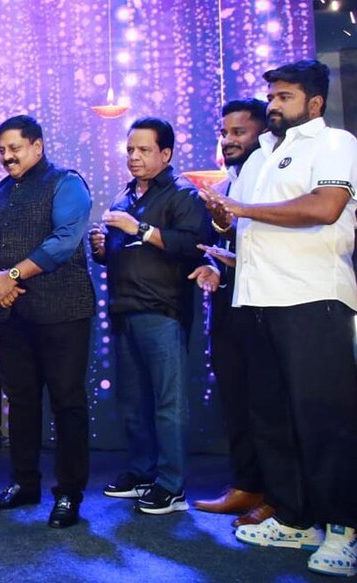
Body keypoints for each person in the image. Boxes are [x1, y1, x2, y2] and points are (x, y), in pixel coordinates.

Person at [203, 60, 357, 577]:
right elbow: (245, 222)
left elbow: (325, 207)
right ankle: (295, 518)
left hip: (313, 299)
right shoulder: (261, 156)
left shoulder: (335, 143)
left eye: (285, 97)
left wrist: (241, 211)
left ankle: (344, 527)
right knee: (272, 417)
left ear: (313, 104)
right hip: (256, 301)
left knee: (323, 420)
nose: (273, 105)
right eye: (271, 96)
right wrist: (227, 217)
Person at [0, 115, 94, 528]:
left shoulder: (66, 182)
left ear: (37, 146)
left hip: (63, 311)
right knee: (21, 402)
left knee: (67, 402)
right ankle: (24, 484)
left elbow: (63, 242)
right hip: (11, 312)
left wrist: (13, 275)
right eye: (2, 149)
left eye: (15, 148)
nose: (7, 157)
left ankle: (69, 494)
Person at [90, 117, 212, 515]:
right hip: (125, 308)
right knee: (132, 400)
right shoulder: (126, 196)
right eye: (130, 150)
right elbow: (123, 253)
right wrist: (103, 247)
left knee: (167, 402)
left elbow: (193, 245)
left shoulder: (182, 195)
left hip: (162, 311)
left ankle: (171, 485)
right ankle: (141, 473)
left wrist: (138, 228)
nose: (135, 157)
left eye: (144, 150)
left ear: (166, 153)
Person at [189, 98, 272, 527]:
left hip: (267, 305)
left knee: (265, 404)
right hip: (228, 303)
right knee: (236, 400)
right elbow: (237, 241)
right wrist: (212, 263)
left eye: (239, 132)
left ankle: (278, 496)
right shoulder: (234, 179)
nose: (229, 140)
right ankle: (247, 486)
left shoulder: (274, 173)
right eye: (225, 133)